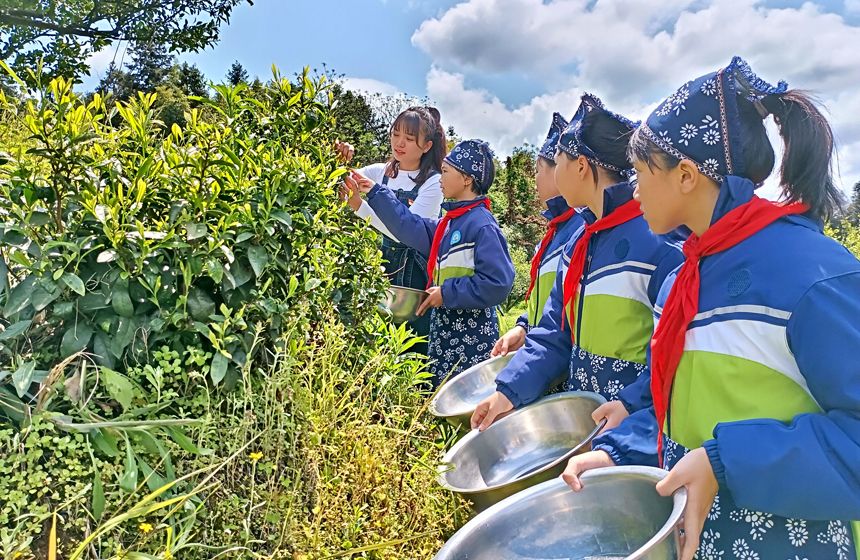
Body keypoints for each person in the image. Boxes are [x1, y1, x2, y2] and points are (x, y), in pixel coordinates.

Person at [561, 56, 860, 560]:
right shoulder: (687, 273)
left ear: (686, 175)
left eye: (640, 171)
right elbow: (686, 409)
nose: (632, 188)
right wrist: (621, 448)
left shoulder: (812, 276)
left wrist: (728, 463)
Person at [471, 94, 683, 430]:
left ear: (581, 166)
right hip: (582, 420)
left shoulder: (659, 242)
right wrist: (508, 392)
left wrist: (631, 407)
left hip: (632, 428)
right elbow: (555, 332)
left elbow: (673, 356)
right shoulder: (579, 244)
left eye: (558, 160)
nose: (554, 174)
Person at [345, 139, 514, 386]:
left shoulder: (482, 225)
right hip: (444, 335)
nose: (440, 178)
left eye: (445, 172)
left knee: (466, 406)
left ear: (467, 179)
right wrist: (374, 191)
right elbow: (408, 225)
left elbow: (498, 283)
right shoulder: (448, 224)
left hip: (470, 341)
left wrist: (446, 293)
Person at [337, 106, 446, 354]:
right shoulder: (379, 172)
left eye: (409, 139)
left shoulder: (434, 183)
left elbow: (406, 231)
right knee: (377, 341)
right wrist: (339, 158)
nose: (400, 143)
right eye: (396, 134)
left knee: (413, 346)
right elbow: (338, 178)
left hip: (416, 276)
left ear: (426, 146)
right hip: (381, 266)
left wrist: (358, 206)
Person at [492, 112, 584, 357]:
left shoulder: (581, 231)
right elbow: (545, 301)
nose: (535, 179)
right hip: (541, 357)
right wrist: (523, 327)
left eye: (538, 169)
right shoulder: (555, 232)